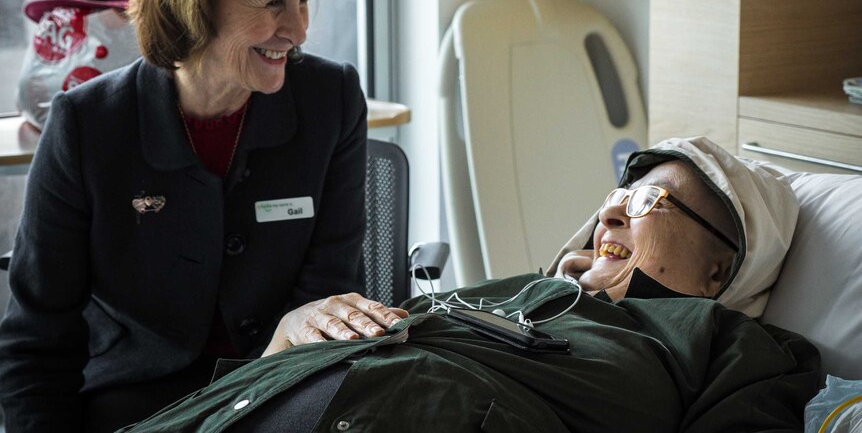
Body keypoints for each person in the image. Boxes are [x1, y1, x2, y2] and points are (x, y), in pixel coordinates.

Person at [0, 0, 404, 433]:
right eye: (273, 3)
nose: (299, 30)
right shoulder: (88, 125)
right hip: (139, 401)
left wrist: (279, 367)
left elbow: (328, 291)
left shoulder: (329, 100)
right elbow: (36, 342)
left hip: (287, 383)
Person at [118, 136, 822, 432]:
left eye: (648, 202)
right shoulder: (515, 290)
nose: (610, 208)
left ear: (719, 269)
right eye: (616, 191)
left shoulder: (736, 343)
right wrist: (285, 342)